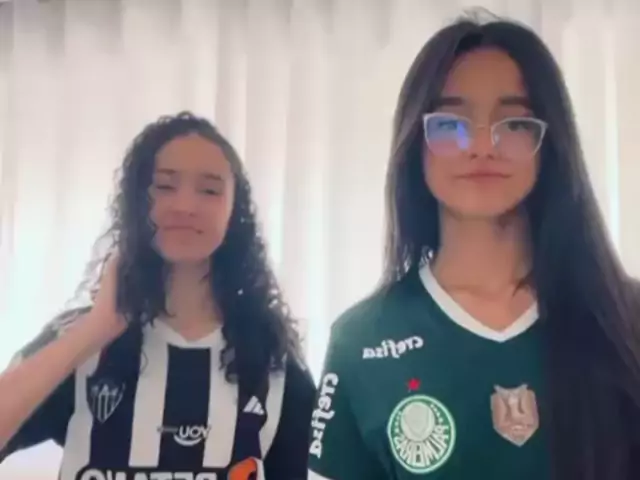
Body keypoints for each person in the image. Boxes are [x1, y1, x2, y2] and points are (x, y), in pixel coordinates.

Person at [307, 13, 640, 480]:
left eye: (514, 123)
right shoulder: (360, 342)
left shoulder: (625, 318)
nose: (483, 145)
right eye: (450, 124)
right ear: (415, 144)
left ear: (550, 144)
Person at [0, 112, 316, 480]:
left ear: (235, 213)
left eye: (210, 190)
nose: (185, 206)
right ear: (137, 202)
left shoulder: (272, 357)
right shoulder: (82, 342)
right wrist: (95, 330)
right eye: (165, 186)